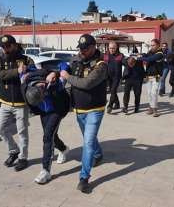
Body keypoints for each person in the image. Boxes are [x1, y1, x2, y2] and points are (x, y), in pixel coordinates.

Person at [60, 34, 108, 193]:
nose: (82, 52)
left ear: (94, 47)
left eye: (85, 49)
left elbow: (87, 83)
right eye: (80, 49)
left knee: (87, 142)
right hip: (79, 109)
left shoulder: (101, 65)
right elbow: (65, 66)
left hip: (95, 109)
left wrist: (67, 77)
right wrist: (60, 71)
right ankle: (99, 153)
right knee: (90, 138)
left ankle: (84, 178)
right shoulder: (76, 58)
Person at [21, 66, 71, 184]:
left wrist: (55, 73)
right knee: (51, 135)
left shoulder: (55, 83)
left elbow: (65, 66)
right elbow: (23, 75)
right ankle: (63, 149)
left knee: (48, 136)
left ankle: (45, 171)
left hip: (57, 109)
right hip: (43, 111)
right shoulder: (25, 86)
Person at [0, 35, 33, 171]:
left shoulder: (26, 60)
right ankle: (13, 150)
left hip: (21, 103)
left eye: (8, 46)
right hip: (5, 103)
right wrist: (17, 71)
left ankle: (23, 158)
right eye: (3, 46)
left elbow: (35, 74)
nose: (5, 49)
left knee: (22, 132)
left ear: (15, 45)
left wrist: (29, 74)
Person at [137, 39, 164, 117]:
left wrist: (138, 58)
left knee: (154, 93)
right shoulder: (151, 52)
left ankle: (155, 110)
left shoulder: (160, 53)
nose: (151, 47)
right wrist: (141, 54)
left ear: (158, 45)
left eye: (153, 45)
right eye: (151, 45)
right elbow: (146, 56)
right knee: (149, 93)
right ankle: (151, 108)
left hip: (157, 77)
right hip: (149, 76)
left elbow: (149, 59)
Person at [104, 41, 124, 114]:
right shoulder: (106, 55)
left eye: (113, 48)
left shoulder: (120, 55)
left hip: (117, 77)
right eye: (110, 48)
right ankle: (117, 104)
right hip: (108, 77)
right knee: (113, 91)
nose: (111, 50)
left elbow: (126, 62)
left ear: (116, 48)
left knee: (113, 91)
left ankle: (110, 106)